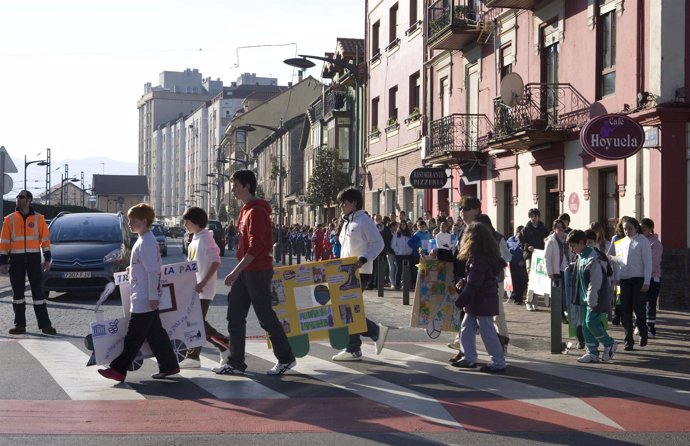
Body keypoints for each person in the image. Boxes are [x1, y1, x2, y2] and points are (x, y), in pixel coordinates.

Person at [218, 170, 296, 375]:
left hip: (257, 271)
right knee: (234, 315)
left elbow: (256, 247)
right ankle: (236, 363)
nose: (233, 189)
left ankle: (286, 358)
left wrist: (235, 271)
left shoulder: (257, 212)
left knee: (265, 316)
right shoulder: (245, 210)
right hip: (246, 272)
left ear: (247, 186)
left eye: (236, 185)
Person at [98, 203, 179, 382]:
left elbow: (153, 271)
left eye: (133, 220)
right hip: (143, 294)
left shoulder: (146, 242)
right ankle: (169, 365)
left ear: (144, 221)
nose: (129, 223)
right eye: (129, 220)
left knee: (134, 336)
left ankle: (119, 369)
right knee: (155, 334)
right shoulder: (145, 240)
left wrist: (152, 296)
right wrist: (131, 269)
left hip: (144, 297)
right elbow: (146, 267)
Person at [331, 187, 389, 361]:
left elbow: (378, 243)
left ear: (354, 202)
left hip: (360, 272)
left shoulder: (364, 220)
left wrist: (363, 259)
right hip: (345, 271)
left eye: (344, 202)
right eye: (340, 202)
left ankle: (372, 335)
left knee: (348, 310)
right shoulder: (346, 221)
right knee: (348, 310)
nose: (341, 205)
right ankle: (355, 347)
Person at [451, 222, 507, 373]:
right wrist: (464, 282)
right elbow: (477, 279)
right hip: (483, 298)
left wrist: (460, 300)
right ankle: (469, 357)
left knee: (485, 330)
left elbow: (474, 284)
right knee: (468, 328)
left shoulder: (477, 259)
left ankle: (497, 361)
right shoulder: (483, 256)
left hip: (480, 299)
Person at [0, 190, 56, 335]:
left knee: (38, 293)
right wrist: (3, 262)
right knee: (17, 294)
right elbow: (4, 242)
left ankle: (45, 325)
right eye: (18, 197)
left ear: (29, 200)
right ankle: (20, 325)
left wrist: (47, 258)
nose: (18, 199)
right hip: (16, 260)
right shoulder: (9, 219)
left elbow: (45, 240)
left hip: (34, 259)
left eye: (22, 197)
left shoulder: (39, 219)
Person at [179, 206, 229, 369]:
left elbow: (216, 261)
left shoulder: (206, 239)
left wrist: (203, 282)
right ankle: (220, 346)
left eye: (187, 221)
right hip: (195, 288)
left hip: (203, 289)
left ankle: (220, 346)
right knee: (195, 321)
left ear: (196, 222)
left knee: (196, 321)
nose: (184, 224)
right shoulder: (195, 238)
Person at [567, 230, 618, 363]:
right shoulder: (581, 256)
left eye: (573, 246)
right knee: (584, 324)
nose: (572, 249)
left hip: (594, 298)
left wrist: (592, 298)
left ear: (581, 243)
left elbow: (595, 281)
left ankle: (609, 343)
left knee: (591, 322)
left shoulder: (593, 258)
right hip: (583, 297)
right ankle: (592, 352)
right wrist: (572, 267)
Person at [608, 216, 652, 351]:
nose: (627, 231)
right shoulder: (620, 242)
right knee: (625, 310)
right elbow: (620, 261)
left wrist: (646, 281)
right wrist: (610, 257)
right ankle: (628, 340)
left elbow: (648, 262)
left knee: (639, 310)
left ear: (636, 228)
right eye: (625, 229)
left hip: (639, 280)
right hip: (624, 280)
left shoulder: (643, 241)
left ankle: (643, 333)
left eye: (630, 228)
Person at [475, 214, 511, 352]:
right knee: (481, 315)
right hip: (480, 278)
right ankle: (496, 341)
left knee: (498, 312)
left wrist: (498, 264)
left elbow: (507, 255)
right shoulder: (476, 238)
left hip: (496, 279)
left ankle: (503, 340)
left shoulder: (498, 237)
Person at [640, 218, 662, 338]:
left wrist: (643, 272)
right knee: (640, 303)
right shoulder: (639, 241)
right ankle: (640, 325)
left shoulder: (656, 244)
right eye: (640, 229)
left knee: (650, 303)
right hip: (639, 277)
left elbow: (653, 262)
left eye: (644, 229)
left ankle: (651, 328)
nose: (642, 231)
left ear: (650, 229)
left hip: (653, 278)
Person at [506, 226, 528, 305]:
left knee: (522, 281)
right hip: (512, 263)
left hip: (521, 264)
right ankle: (516, 298)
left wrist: (523, 260)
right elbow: (506, 248)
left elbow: (526, 252)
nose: (519, 234)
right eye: (518, 232)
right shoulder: (510, 239)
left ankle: (519, 297)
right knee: (515, 281)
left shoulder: (524, 241)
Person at [391, 220, 413, 290]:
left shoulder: (409, 234)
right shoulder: (397, 234)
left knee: (407, 270)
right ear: (400, 226)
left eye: (404, 224)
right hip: (399, 255)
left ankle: (406, 284)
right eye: (402, 224)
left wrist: (410, 251)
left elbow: (411, 244)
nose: (403, 226)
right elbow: (393, 245)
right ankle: (397, 284)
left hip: (407, 255)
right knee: (399, 269)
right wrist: (397, 251)